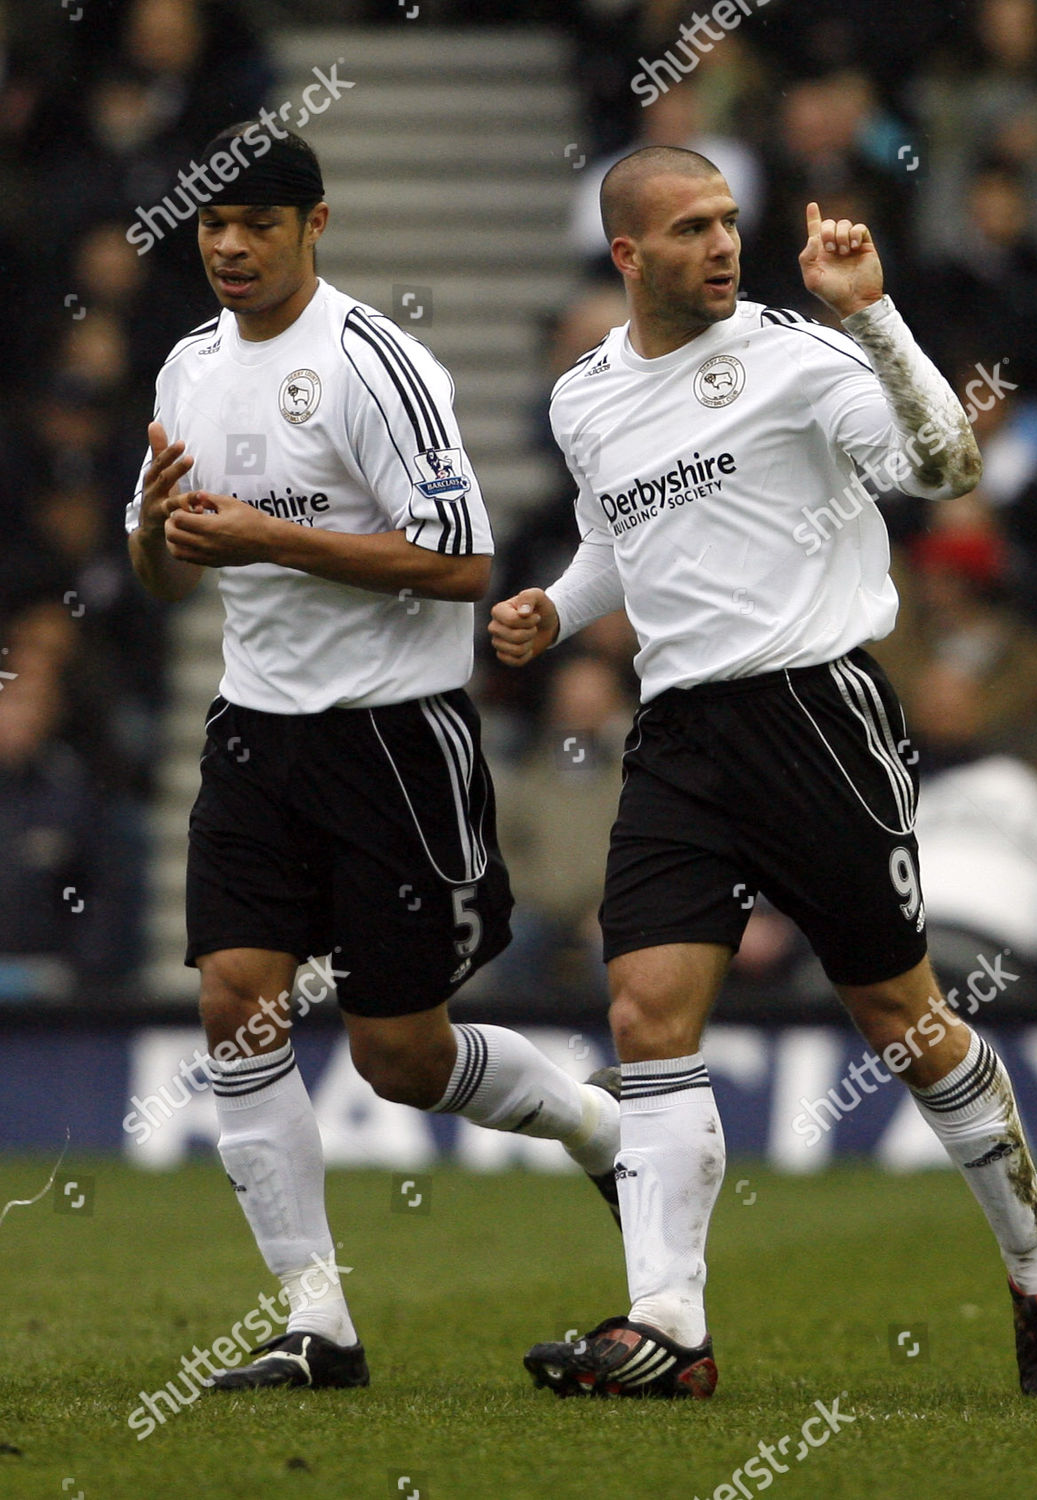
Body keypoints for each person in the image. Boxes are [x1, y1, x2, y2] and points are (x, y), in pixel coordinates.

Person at [490, 145, 1037, 1400]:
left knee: (901, 1021)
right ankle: (669, 1325)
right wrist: (556, 602)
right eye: (692, 228)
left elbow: (945, 469)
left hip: (816, 714)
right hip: (678, 736)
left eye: (728, 222)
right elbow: (621, 536)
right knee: (647, 1015)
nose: (723, 244)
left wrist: (869, 311)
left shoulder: (796, 355)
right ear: (627, 257)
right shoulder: (584, 397)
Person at [126, 123, 620, 1391]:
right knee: (236, 1003)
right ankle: (316, 1323)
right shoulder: (186, 367)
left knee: (396, 1056)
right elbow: (170, 570)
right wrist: (151, 529)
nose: (231, 247)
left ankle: (594, 1126)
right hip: (253, 731)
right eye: (212, 226)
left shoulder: (370, 362)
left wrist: (269, 541)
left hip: (393, 738)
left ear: (314, 224)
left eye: (258, 223)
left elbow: (462, 565)